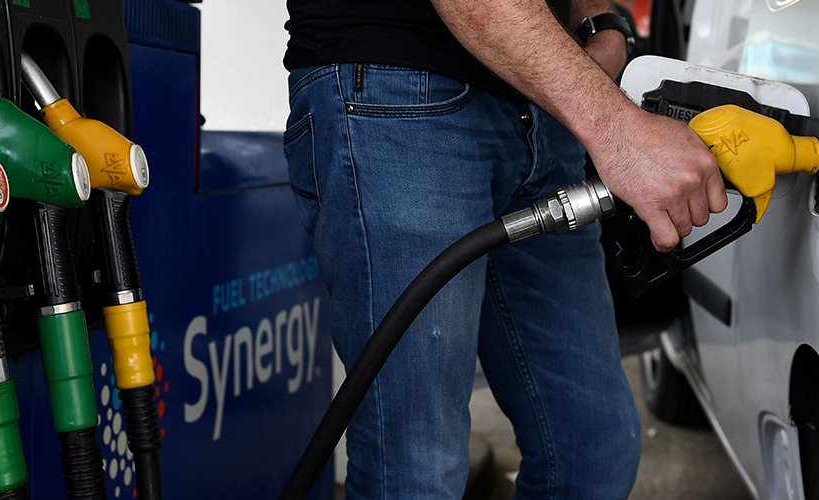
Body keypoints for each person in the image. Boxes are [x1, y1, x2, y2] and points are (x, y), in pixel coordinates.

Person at [282, 0, 727, 498]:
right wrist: (620, 130)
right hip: (398, 93)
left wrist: (601, 18)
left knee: (592, 453)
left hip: (541, 104)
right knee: (415, 473)